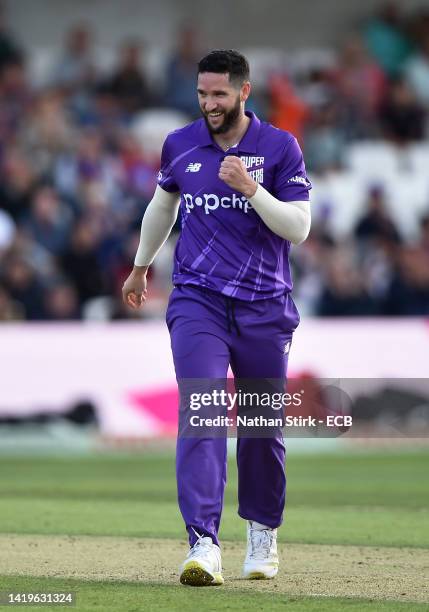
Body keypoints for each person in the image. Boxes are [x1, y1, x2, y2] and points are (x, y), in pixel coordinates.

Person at [122, 49, 311, 586]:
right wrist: (141, 268)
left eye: (220, 94)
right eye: (203, 94)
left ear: (244, 92)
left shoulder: (279, 147)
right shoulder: (181, 144)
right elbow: (163, 206)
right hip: (196, 300)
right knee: (201, 409)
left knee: (260, 426)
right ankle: (203, 543)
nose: (209, 103)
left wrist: (253, 190)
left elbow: (298, 227)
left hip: (264, 305)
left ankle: (261, 531)